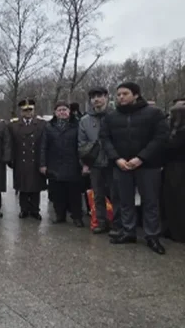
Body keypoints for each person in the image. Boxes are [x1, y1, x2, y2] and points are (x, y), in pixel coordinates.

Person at [100, 82, 169, 255]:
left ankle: (152, 235)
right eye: (118, 94)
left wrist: (141, 158)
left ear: (136, 95)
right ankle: (128, 231)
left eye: (125, 93)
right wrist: (117, 158)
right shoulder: (111, 117)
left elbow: (160, 138)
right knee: (125, 201)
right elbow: (105, 139)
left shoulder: (154, 113)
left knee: (150, 201)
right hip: (121, 165)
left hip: (148, 165)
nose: (121, 97)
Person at [79, 87, 120, 235]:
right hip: (95, 163)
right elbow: (81, 143)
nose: (96, 99)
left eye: (99, 96)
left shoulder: (117, 115)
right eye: (93, 97)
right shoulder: (85, 120)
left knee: (116, 194)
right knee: (98, 195)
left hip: (114, 162)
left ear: (106, 97)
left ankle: (117, 224)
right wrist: (84, 163)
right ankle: (101, 222)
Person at [40, 101, 84, 227]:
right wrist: (43, 164)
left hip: (73, 164)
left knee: (74, 194)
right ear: (55, 112)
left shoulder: (77, 125)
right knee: (57, 193)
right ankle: (60, 215)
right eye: (59, 110)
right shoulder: (49, 126)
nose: (62, 112)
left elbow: (81, 144)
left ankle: (77, 217)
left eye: (64, 109)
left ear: (69, 112)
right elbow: (43, 146)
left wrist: (83, 163)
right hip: (55, 165)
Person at [161, 105, 185, 244]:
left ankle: (181, 233)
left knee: (180, 200)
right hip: (180, 167)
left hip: (180, 168)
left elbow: (171, 146)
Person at [8, 99, 46, 220]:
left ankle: (35, 210)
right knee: (23, 187)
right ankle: (24, 209)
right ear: (21, 111)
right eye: (25, 110)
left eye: (30, 110)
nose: (28, 112)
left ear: (34, 110)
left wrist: (44, 161)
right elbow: (10, 144)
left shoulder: (41, 124)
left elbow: (44, 143)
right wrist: (10, 159)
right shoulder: (13, 125)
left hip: (36, 159)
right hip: (20, 159)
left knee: (36, 187)